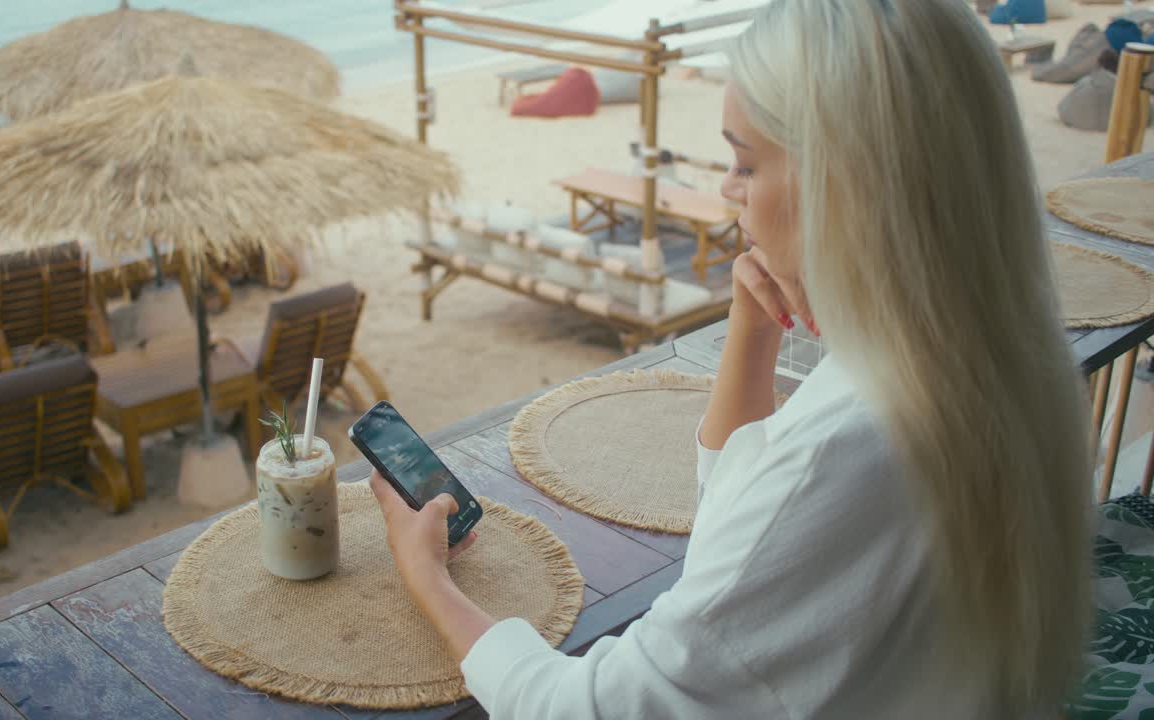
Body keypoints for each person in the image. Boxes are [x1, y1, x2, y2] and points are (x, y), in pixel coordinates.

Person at [370, 0, 1094, 716]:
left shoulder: (858, 435)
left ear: (850, 186)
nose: (726, 187)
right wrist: (752, 326)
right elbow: (749, 529)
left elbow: (587, 709)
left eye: (745, 162)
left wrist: (427, 577)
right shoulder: (998, 345)